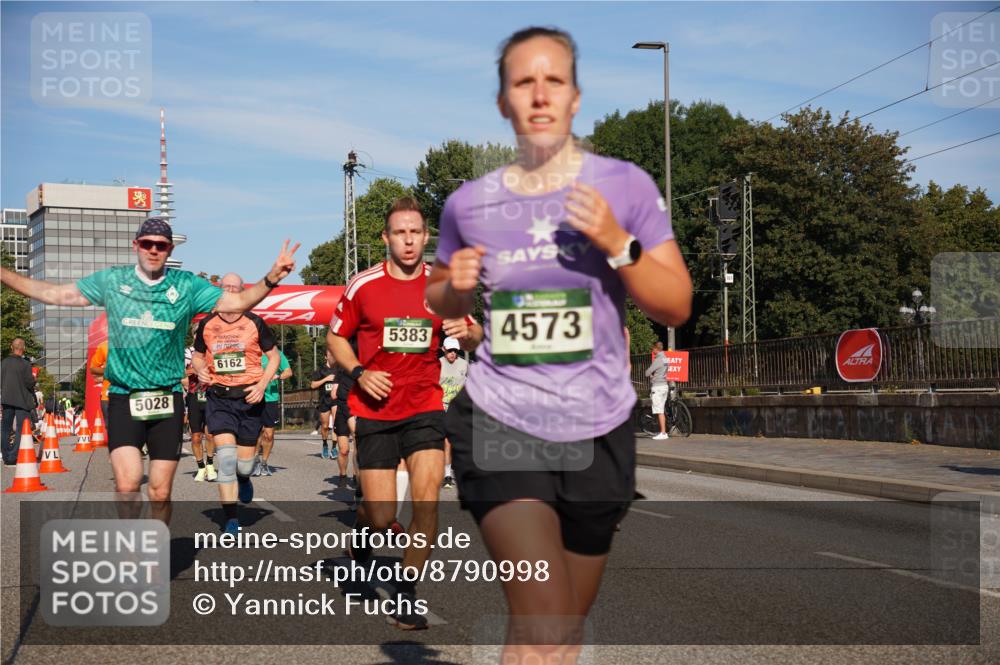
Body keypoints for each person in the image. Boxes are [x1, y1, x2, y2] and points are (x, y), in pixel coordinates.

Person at [425, 27, 692, 662]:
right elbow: (439, 297)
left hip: (598, 427)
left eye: (555, 81)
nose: (540, 94)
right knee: (544, 614)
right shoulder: (469, 203)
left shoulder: (624, 187)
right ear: (502, 102)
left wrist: (615, 241)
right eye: (523, 82)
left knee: (564, 623)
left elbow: (675, 302)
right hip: (501, 420)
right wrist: (453, 288)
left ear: (576, 97)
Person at [0, 217, 299, 515]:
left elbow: (239, 301)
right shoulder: (113, 281)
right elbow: (53, 294)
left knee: (159, 491)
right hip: (124, 395)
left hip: (166, 397)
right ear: (136, 246)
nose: (153, 250)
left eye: (161, 245)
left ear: (169, 250)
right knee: (128, 484)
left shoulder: (186, 285)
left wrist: (272, 276)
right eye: (147, 244)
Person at [328, 195, 482, 630]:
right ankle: (362, 535)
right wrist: (359, 372)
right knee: (380, 515)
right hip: (375, 408)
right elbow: (335, 339)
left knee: (427, 500)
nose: (409, 240)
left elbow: (474, 335)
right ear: (386, 238)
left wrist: (466, 331)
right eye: (400, 232)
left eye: (416, 232)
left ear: (426, 236)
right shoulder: (363, 285)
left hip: (425, 406)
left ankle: (407, 593)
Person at [192, 272, 281, 535]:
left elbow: (274, 358)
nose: (230, 291)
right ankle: (231, 518)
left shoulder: (255, 322)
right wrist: (200, 370)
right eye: (226, 287)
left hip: (249, 398)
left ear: (243, 292)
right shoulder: (207, 323)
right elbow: (198, 356)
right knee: (227, 459)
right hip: (219, 398)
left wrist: (263, 384)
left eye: (235, 287)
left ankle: (245, 478)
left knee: (243, 465)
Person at [254, 348, 292, 476]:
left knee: (269, 434)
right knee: (255, 432)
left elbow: (288, 372)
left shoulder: (277, 354)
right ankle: (255, 461)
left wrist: (278, 376)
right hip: (253, 396)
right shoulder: (251, 352)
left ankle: (264, 463)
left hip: (271, 398)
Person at [185, 329, 216, 481]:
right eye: (197, 332)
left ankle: (210, 464)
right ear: (193, 334)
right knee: (196, 436)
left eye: (202, 332)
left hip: (211, 395)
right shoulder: (188, 352)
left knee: (210, 434)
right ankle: (200, 467)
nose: (199, 335)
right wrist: (197, 369)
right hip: (194, 396)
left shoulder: (213, 350)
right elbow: (181, 372)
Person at [438, 336, 468, 489]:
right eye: (449, 350)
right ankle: (447, 475)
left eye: (455, 351)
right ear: (443, 349)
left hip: (458, 407)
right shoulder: (438, 364)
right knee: (447, 441)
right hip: (441, 406)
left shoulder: (464, 364)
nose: (452, 354)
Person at [2, 338, 37, 466]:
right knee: (21, 429)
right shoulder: (25, 364)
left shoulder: (4, 362)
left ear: (12, 347)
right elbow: (29, 383)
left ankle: (6, 456)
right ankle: (13, 456)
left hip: (6, 399)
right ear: (23, 349)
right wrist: (34, 379)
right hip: (22, 401)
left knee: (5, 429)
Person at [310, 352, 338, 460]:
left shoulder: (339, 369)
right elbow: (313, 385)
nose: (333, 357)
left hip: (335, 400)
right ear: (326, 356)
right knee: (325, 426)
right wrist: (326, 379)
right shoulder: (320, 370)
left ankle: (334, 448)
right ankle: (325, 444)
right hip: (324, 401)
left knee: (336, 425)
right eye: (330, 355)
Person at [645, 341, 670, 440]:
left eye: (653, 348)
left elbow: (647, 373)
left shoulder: (658, 359)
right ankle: (663, 432)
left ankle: (663, 433)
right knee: (662, 409)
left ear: (656, 349)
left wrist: (651, 375)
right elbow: (663, 370)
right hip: (664, 385)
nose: (652, 350)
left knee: (659, 410)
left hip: (658, 387)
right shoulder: (665, 358)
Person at [89, 340, 112, 425]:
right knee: (111, 428)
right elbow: (93, 369)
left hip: (132, 395)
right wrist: (109, 373)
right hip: (108, 397)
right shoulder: (104, 346)